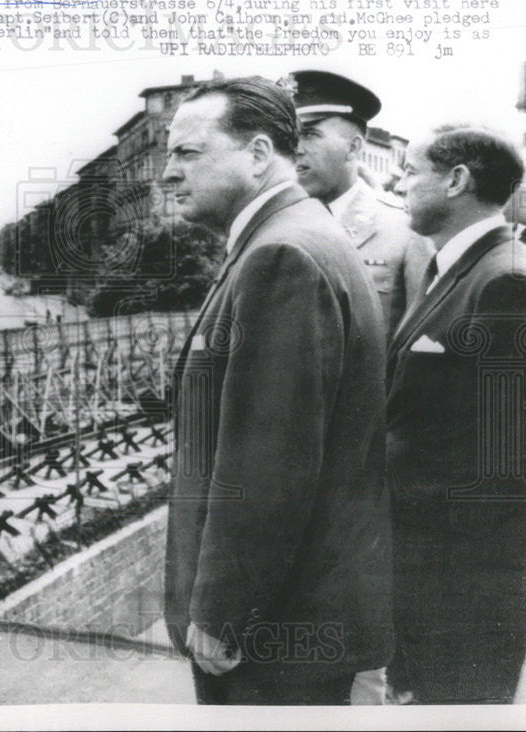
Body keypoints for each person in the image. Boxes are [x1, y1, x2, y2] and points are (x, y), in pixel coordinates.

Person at [162, 77, 393, 705]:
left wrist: (221, 612)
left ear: (260, 155)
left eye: (187, 153)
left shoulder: (280, 255)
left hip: (269, 633)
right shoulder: (295, 234)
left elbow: (267, 463)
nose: (167, 173)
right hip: (294, 618)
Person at [386, 124, 526, 704]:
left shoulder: (507, 281)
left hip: (463, 591)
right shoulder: (459, 267)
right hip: (433, 577)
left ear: (456, 180)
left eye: (409, 170)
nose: (398, 184)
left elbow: (504, 466)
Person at [290, 70, 434, 342]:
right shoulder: (277, 225)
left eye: (310, 134)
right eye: (291, 136)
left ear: (354, 148)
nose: (296, 148)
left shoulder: (404, 229)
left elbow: (421, 343)